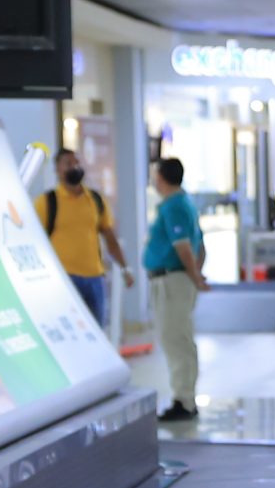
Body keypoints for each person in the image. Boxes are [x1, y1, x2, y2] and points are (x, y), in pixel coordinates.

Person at [144, 157, 207, 423]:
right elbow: (200, 245)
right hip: (176, 279)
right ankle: (185, 397)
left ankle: (184, 400)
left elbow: (184, 247)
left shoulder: (175, 207)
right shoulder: (182, 205)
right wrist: (196, 275)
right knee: (178, 338)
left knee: (176, 340)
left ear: (161, 178)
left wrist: (194, 277)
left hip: (172, 281)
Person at [41, 149, 132, 326]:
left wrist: (125, 268)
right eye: (68, 163)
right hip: (64, 279)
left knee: (96, 331)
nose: (74, 167)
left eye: (77, 162)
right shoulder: (47, 202)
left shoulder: (95, 199)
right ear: (57, 169)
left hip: (95, 278)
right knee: (68, 330)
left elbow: (110, 237)